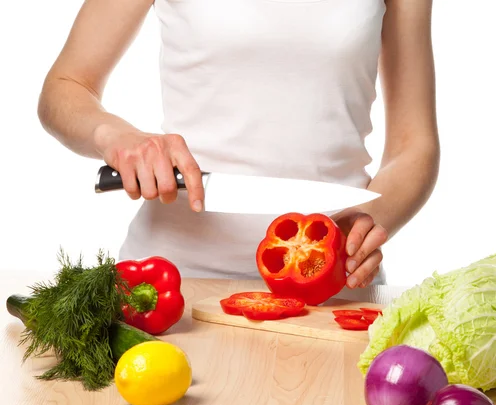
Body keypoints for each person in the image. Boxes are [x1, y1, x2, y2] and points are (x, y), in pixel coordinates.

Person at [37, 0, 440, 291]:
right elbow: (65, 88)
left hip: (334, 286)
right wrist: (117, 137)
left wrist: (368, 222)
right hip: (171, 284)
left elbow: (414, 145)